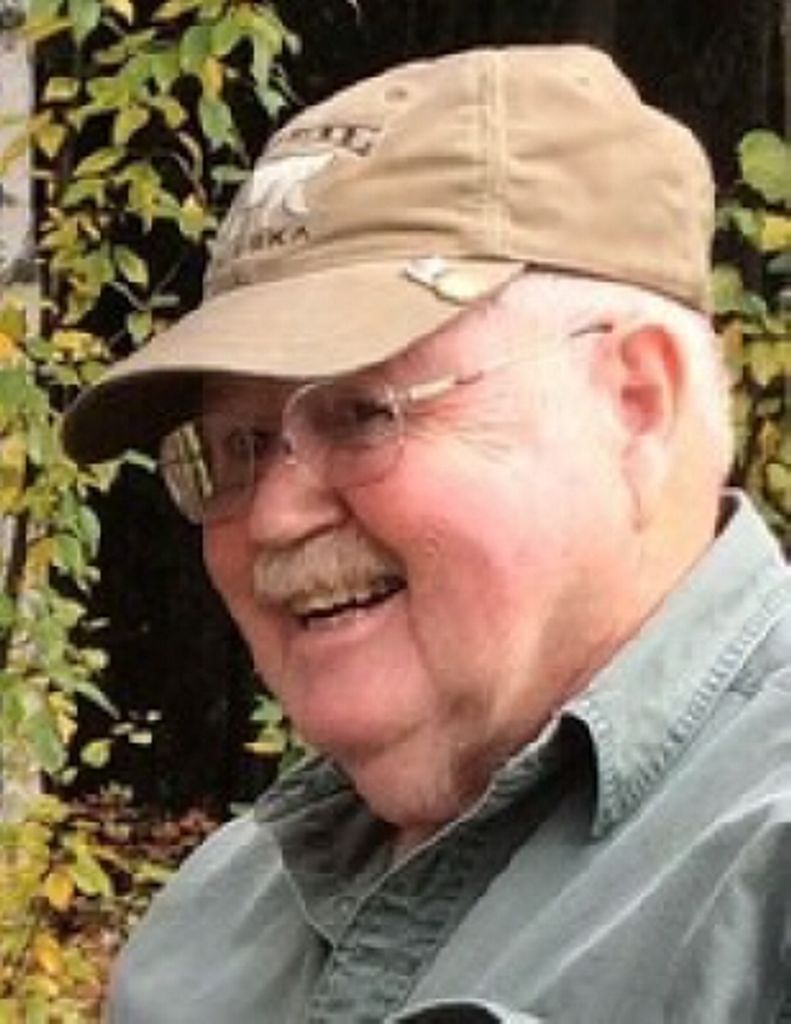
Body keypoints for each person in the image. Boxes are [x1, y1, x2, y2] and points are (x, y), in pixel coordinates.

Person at [63, 45, 791, 1023]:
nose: (272, 515)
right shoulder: (212, 923)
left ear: (634, 402)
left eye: (362, 414)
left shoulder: (762, 881)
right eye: (236, 446)